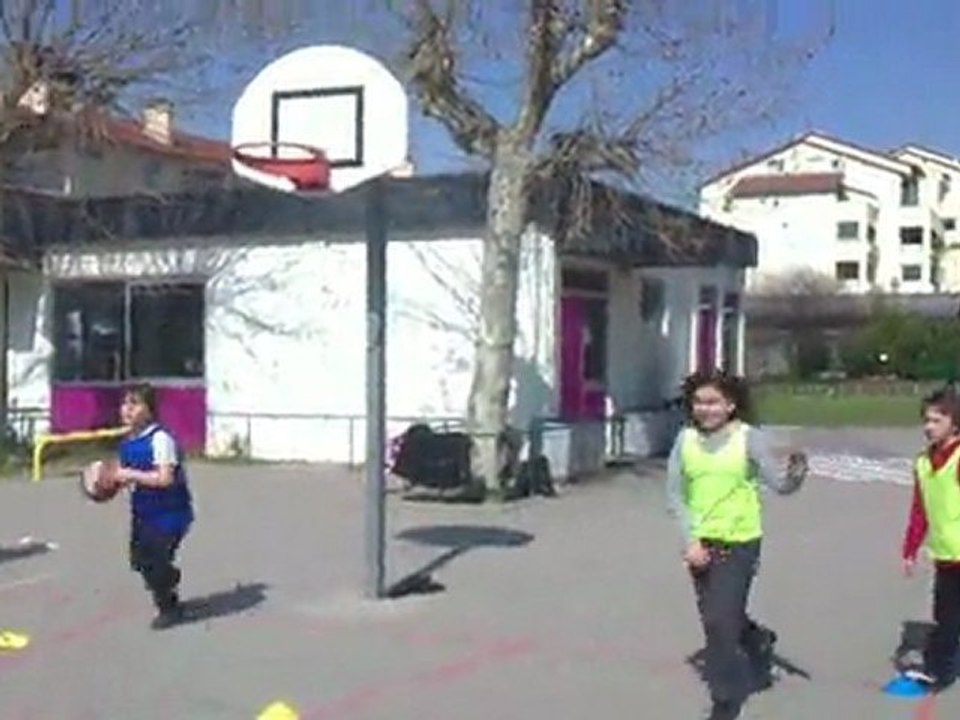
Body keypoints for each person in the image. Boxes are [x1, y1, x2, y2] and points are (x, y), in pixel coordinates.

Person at [666, 369, 806, 720]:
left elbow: (779, 484)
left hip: (740, 542)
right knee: (718, 616)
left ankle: (725, 701)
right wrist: (690, 541)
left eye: (713, 402)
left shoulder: (749, 439)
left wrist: (795, 472)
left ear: (730, 405)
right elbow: (676, 494)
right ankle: (757, 639)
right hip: (701, 543)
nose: (705, 409)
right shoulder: (685, 440)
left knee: (718, 622)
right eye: (699, 401)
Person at [115, 383, 194, 630]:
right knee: (138, 560)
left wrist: (128, 474)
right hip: (144, 513)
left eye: (135, 403)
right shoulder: (128, 441)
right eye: (125, 403)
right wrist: (108, 483)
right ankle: (168, 579)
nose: (127, 409)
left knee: (155, 561)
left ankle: (169, 608)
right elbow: (128, 477)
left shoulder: (161, 439)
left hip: (170, 514)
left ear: (150, 410)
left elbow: (165, 478)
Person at [901, 388, 960, 692]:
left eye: (937, 420)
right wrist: (910, 548)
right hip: (946, 555)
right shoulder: (923, 463)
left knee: (950, 620)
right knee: (945, 616)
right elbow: (920, 510)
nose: (929, 427)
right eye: (926, 420)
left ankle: (941, 669)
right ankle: (941, 669)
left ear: (954, 422)